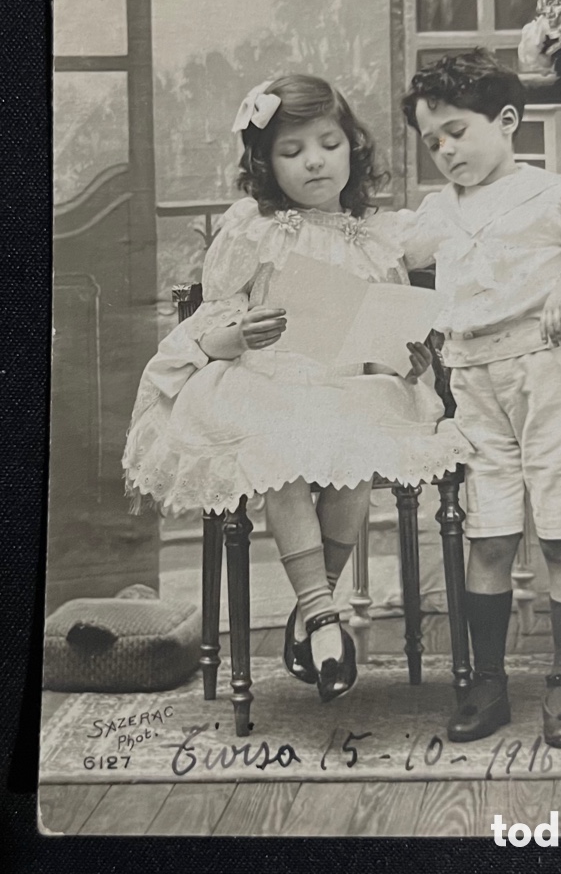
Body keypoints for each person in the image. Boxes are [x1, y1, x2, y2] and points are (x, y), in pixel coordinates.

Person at [123, 73, 469, 704]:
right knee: (281, 446)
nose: (314, 161)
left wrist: (409, 359)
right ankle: (322, 617)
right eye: (293, 150)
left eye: (329, 144)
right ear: (266, 163)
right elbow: (209, 326)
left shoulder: (376, 233)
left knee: (356, 445)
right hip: (269, 382)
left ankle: (315, 611)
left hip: (351, 388)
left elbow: (384, 331)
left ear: (351, 148)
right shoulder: (254, 229)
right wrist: (239, 334)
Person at [398, 49, 561, 747]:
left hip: (547, 374)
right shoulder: (436, 212)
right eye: (432, 142)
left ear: (507, 120)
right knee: (489, 535)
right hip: (471, 381)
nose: (446, 151)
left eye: (457, 131)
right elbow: (393, 255)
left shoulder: (550, 195)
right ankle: (488, 683)